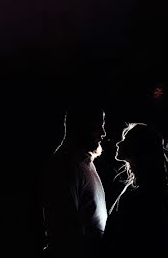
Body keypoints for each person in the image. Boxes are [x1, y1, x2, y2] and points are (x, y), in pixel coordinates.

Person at [101, 123, 168, 257]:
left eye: (125, 139)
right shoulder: (136, 187)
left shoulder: (144, 192)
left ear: (137, 147)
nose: (118, 143)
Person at [42, 104, 108, 258]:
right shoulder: (65, 165)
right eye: (99, 127)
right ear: (81, 128)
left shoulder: (85, 164)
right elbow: (65, 231)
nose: (103, 133)